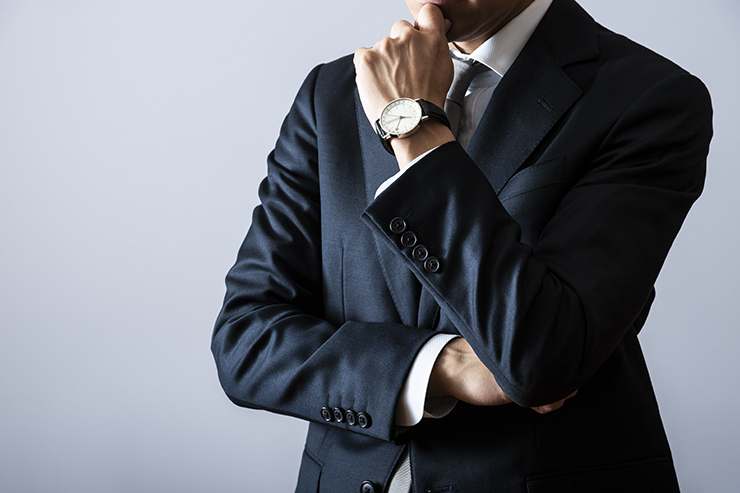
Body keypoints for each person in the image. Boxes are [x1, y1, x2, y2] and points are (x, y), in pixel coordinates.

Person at [212, 0, 713, 490]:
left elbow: (544, 358)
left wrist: (415, 128)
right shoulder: (331, 93)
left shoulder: (649, 96)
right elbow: (245, 339)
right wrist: (442, 367)